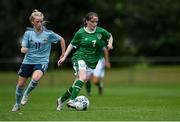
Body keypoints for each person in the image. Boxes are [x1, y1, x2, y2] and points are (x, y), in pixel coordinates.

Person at [56, 12, 112, 111]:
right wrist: (64, 57)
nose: (95, 24)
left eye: (96, 22)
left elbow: (110, 36)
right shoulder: (80, 33)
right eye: (92, 21)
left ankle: (60, 100)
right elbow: (72, 45)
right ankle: (72, 101)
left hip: (91, 62)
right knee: (83, 77)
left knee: (76, 84)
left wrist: (110, 44)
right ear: (87, 21)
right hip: (79, 57)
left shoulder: (100, 32)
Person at [11, 9, 66, 112]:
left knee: (36, 78)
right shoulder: (28, 33)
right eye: (37, 21)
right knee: (20, 84)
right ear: (33, 22)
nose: (40, 23)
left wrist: (63, 54)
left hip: (42, 61)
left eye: (41, 21)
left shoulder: (48, 33)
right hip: (28, 61)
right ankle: (17, 105)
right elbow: (23, 47)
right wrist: (23, 49)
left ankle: (26, 94)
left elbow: (61, 39)